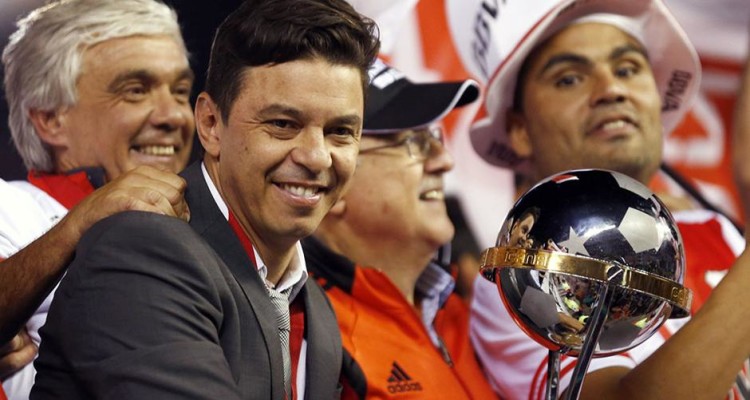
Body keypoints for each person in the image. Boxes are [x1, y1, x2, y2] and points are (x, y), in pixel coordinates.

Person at [30, 0, 380, 398]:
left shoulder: (314, 306)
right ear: (211, 125)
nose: (317, 156)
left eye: (340, 132)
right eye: (283, 125)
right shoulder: (142, 252)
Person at [446, 0, 749, 399]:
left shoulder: (713, 228)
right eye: (569, 79)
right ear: (519, 128)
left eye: (627, 69)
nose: (612, 89)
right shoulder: (514, 276)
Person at [0, 0, 194, 398]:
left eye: (180, 91)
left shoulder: (214, 228)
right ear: (52, 118)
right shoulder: (10, 209)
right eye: (136, 90)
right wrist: (82, 222)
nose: (174, 115)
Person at [301, 58, 497, 399]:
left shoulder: (465, 314)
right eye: (414, 142)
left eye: (433, 138)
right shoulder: (309, 342)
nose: (444, 160)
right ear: (334, 180)